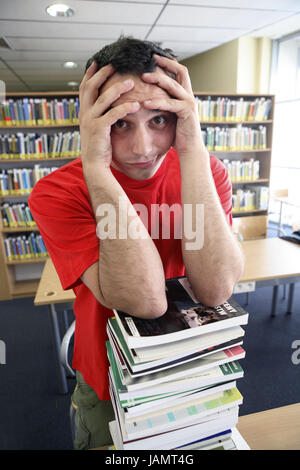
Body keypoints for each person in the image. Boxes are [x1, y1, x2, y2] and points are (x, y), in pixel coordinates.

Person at [28, 36, 244, 450]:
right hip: (111, 381)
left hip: (197, 365)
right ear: (91, 121)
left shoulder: (206, 170)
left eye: (159, 120)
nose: (142, 148)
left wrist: (194, 150)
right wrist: (96, 165)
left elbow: (215, 290)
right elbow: (145, 302)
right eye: (119, 122)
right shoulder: (57, 192)